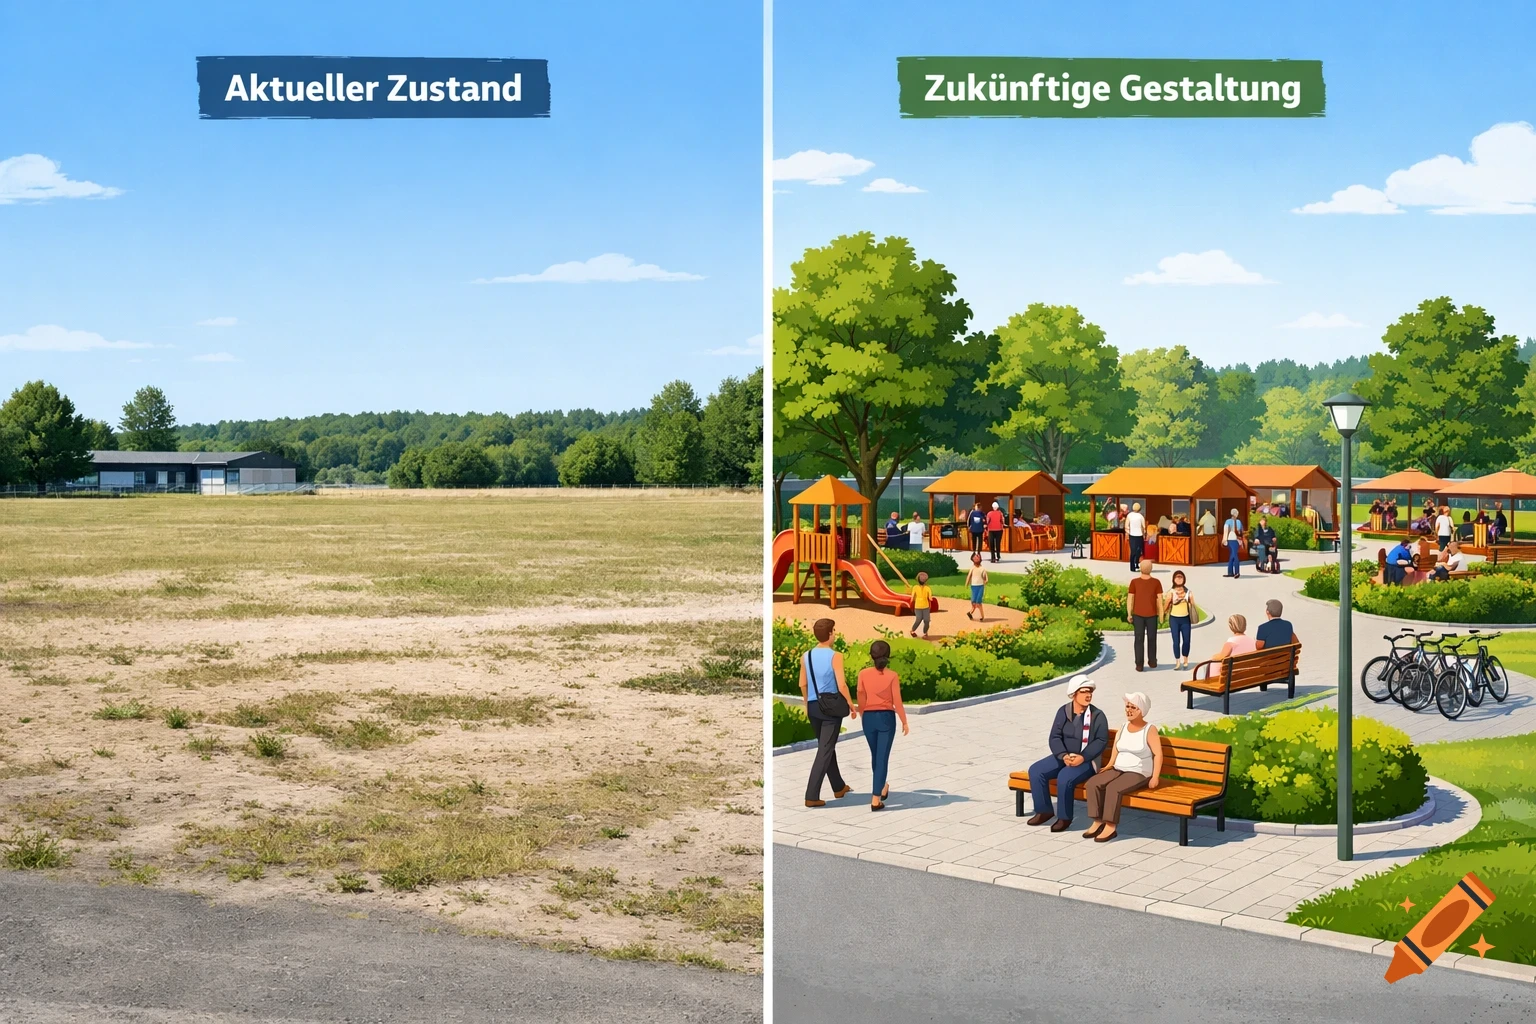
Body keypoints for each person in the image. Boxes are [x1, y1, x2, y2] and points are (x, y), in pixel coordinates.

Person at [1024, 676, 1108, 832]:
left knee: (1065, 777)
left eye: (1090, 692)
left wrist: (1083, 757)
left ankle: (1064, 818)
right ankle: (1044, 811)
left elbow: (1101, 741)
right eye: (1083, 692)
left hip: (1087, 761)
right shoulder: (1063, 712)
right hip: (1064, 756)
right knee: (1036, 770)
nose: (1088, 695)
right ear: (1073, 694)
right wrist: (1063, 755)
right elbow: (1054, 737)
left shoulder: (1098, 716)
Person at [1081, 692, 1162, 843]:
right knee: (1093, 783)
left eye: (1134, 707)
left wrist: (1155, 777)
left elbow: (1158, 754)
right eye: (1127, 706)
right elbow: (1116, 749)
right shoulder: (1123, 727)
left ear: (1142, 710)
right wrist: (1110, 765)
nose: (1129, 710)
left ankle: (1110, 826)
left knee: (1113, 788)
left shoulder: (1149, 730)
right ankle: (1097, 821)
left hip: (1139, 771)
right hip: (1118, 768)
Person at [800, 618, 857, 807]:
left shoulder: (805, 656)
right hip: (830, 707)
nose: (835, 634)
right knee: (825, 749)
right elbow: (841, 684)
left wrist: (807, 704)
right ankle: (811, 795)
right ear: (830, 633)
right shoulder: (836, 656)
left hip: (813, 706)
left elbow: (803, 684)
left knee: (826, 746)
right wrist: (850, 703)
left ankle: (839, 786)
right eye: (834, 631)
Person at [856, 640, 908, 811]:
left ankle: (882, 786)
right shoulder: (892, 676)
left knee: (875, 755)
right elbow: (897, 701)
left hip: (869, 717)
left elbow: (860, 695)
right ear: (888, 656)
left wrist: (863, 713)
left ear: (871, 656)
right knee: (882, 757)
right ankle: (875, 799)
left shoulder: (863, 674)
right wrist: (904, 720)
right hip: (886, 717)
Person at [1126, 559, 1161, 672]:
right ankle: (1142, 662)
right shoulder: (1135, 582)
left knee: (1142, 639)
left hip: (1147, 615)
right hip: (1141, 615)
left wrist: (1129, 613)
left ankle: (1149, 661)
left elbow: (1159, 599)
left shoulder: (1156, 582)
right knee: (1147, 639)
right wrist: (1130, 613)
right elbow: (1131, 598)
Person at [1195, 615, 1257, 679]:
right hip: (1247, 675)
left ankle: (1206, 684)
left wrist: (1214, 656)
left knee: (1206, 666)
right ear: (1245, 626)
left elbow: (1221, 657)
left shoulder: (1231, 642)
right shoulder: (1252, 641)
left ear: (1231, 627)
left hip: (1230, 678)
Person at [1160, 570, 1198, 671]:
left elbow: (1193, 605)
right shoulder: (1171, 592)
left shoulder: (1189, 592)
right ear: (1173, 579)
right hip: (1174, 619)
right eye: (1177, 577)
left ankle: (1185, 659)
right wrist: (1163, 613)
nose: (1179, 579)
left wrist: (1188, 601)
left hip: (1185, 619)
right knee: (1176, 641)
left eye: (1181, 577)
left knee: (1187, 641)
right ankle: (1177, 661)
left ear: (1184, 579)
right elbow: (1166, 605)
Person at [1254, 599, 1300, 663]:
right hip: (1285, 663)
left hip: (1270, 664)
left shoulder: (1263, 628)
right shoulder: (1288, 625)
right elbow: (1296, 643)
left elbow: (1259, 647)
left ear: (1267, 612)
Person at [909, 571, 933, 638]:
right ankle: (912, 630)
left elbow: (930, 597)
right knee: (919, 619)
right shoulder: (915, 587)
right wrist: (912, 601)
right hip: (918, 606)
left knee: (926, 620)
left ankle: (925, 633)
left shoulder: (927, 588)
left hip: (926, 606)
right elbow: (913, 596)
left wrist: (930, 599)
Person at [1223, 507, 1245, 578]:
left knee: (1232, 555)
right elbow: (1241, 531)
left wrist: (1224, 540)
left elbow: (1225, 531)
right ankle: (1236, 572)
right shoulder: (1239, 522)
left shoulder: (1227, 521)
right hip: (1236, 540)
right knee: (1234, 555)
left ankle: (1230, 572)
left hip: (1229, 540)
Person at [965, 553, 988, 622]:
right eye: (975, 558)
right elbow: (969, 576)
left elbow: (986, 578)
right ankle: (970, 613)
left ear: (980, 559)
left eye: (978, 557)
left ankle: (982, 616)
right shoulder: (972, 568)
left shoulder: (982, 569)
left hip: (980, 586)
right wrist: (966, 583)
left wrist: (985, 581)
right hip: (973, 586)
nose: (976, 559)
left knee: (978, 603)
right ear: (972, 559)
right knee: (973, 602)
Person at [1124, 501, 1146, 571]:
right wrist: (1144, 534)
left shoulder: (1129, 515)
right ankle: (1136, 563)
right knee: (1139, 551)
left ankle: (1132, 567)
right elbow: (1144, 527)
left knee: (1133, 551)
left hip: (1132, 535)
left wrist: (1128, 532)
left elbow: (1126, 526)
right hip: (1139, 535)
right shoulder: (1141, 516)